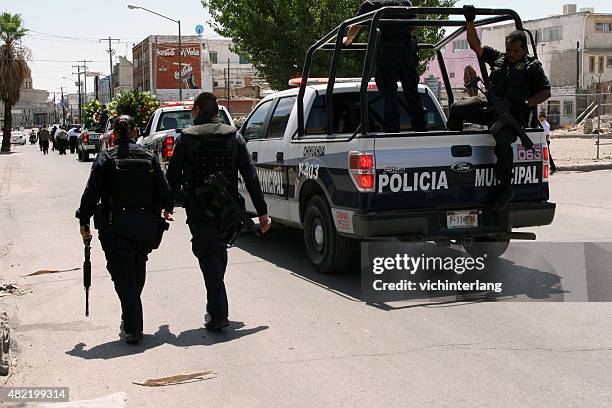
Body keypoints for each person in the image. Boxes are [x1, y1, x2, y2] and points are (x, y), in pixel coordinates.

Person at [166, 92, 271, 331]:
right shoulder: (234, 137)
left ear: (198, 110)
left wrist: (167, 205)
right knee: (217, 252)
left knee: (209, 254)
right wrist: (262, 211)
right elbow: (250, 176)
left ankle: (219, 313)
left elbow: (172, 177)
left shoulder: (187, 138)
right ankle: (215, 309)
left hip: (200, 210)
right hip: (228, 209)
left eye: (193, 110)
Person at [75, 115, 172, 344]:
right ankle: (131, 313)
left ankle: (132, 327)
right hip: (145, 226)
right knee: (137, 269)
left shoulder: (105, 157)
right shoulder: (148, 157)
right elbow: (164, 189)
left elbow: (92, 192)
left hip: (115, 226)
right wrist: (166, 208)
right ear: (134, 132)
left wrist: (84, 219)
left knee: (122, 275)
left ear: (115, 134)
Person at [446, 9, 551, 209]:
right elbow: (476, 46)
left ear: (524, 50)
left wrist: (526, 103)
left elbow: (546, 92)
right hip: (489, 106)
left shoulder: (532, 67)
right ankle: (453, 153)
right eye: (509, 50)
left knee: (503, 141)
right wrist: (470, 21)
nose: (511, 54)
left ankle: (505, 186)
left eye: (515, 51)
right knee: (457, 109)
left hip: (512, 115)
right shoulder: (499, 59)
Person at [343, 0, 428, 133]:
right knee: (412, 91)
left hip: (386, 53)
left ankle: (392, 128)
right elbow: (416, 23)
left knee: (389, 93)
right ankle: (421, 127)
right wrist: (400, 28)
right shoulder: (404, 2)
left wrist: (347, 40)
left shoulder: (371, 4)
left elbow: (355, 26)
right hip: (406, 53)